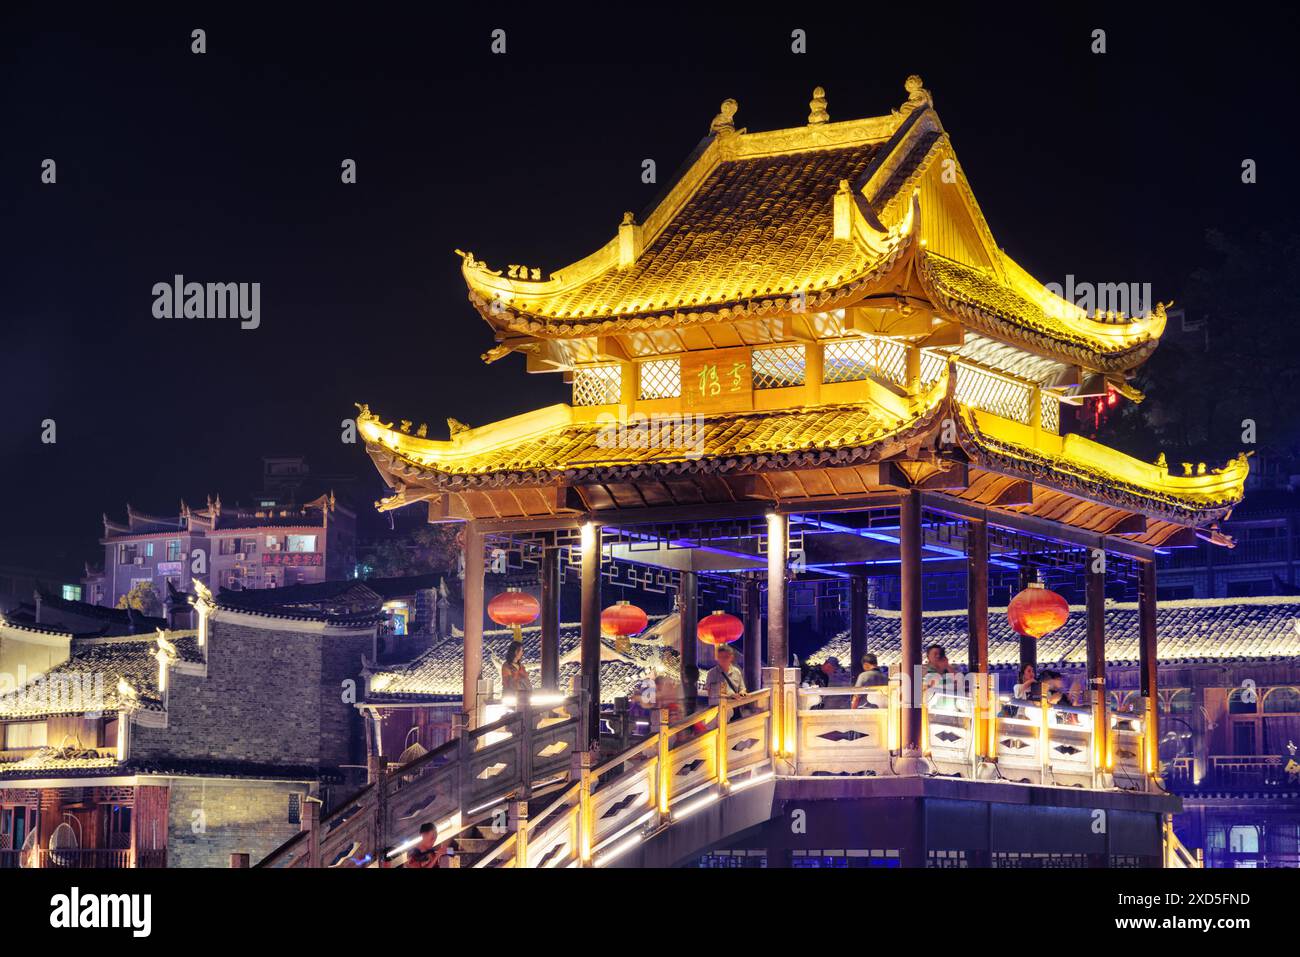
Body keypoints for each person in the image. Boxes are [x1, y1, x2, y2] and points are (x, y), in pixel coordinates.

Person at [705, 644, 747, 719]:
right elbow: (711, 693)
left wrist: (742, 693)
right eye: (721, 657)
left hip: (736, 707)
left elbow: (742, 687)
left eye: (726, 657)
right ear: (717, 658)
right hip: (719, 709)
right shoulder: (712, 673)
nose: (723, 659)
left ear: (731, 657)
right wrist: (731, 696)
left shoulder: (736, 672)